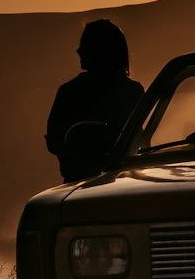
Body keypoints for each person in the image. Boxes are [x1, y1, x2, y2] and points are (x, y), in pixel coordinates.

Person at [45, 18, 144, 182]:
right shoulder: (131, 91)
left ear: (101, 49)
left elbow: (55, 141)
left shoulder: (70, 92)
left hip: (108, 181)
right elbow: (55, 141)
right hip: (111, 181)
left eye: (84, 44)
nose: (78, 50)